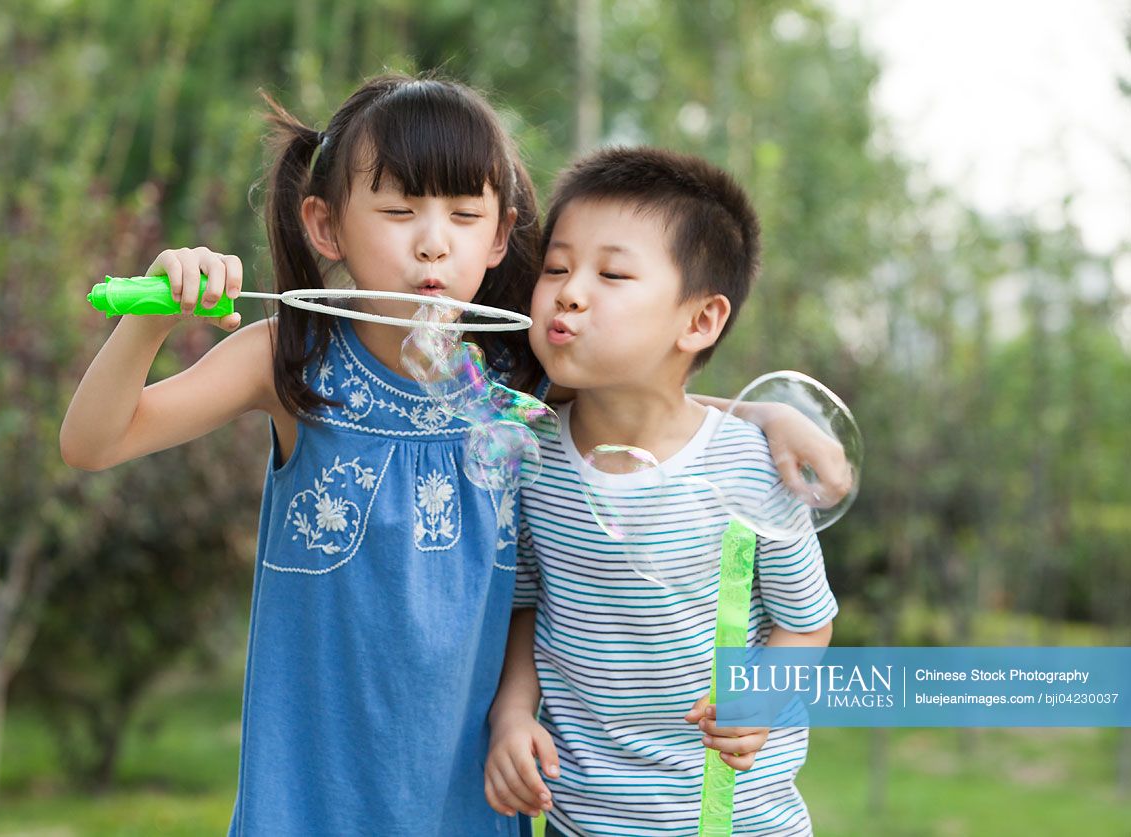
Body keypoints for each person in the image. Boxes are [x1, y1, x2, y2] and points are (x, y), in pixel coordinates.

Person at [61, 74, 843, 835]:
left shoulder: (518, 382)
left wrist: (762, 412)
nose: (433, 242)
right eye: (398, 209)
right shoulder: (288, 362)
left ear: (501, 235)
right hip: (309, 803)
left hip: (469, 803)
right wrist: (152, 320)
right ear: (325, 225)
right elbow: (94, 441)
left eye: (466, 214)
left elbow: (645, 399)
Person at [485, 147, 839, 837]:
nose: (569, 290)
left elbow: (806, 620)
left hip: (735, 821)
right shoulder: (527, 456)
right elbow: (524, 609)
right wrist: (509, 714)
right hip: (582, 821)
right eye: (555, 267)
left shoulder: (750, 465)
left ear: (699, 321)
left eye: (611, 273)